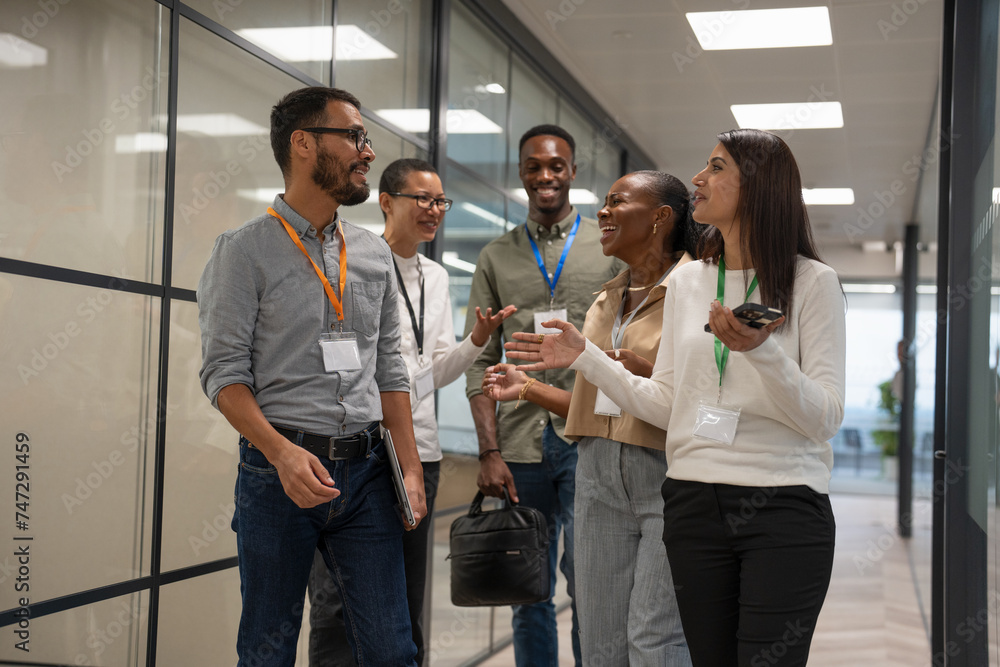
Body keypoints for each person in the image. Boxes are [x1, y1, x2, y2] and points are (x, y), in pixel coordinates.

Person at [504, 129, 845, 666]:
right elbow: (665, 403)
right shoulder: (690, 283)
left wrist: (762, 351)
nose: (698, 179)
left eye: (715, 167)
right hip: (692, 500)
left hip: (781, 504)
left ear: (755, 186)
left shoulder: (812, 283)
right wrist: (584, 358)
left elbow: (824, 417)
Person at [198, 86, 426, 667]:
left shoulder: (373, 254)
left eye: (366, 139)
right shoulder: (243, 251)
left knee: (392, 649)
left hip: (370, 473)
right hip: (280, 472)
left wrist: (410, 465)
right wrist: (279, 453)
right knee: (268, 647)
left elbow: (389, 367)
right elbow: (224, 376)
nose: (367, 152)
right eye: (354, 136)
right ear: (303, 144)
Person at [306, 158, 516, 666]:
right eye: (422, 198)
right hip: (357, 451)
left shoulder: (437, 276)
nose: (434, 209)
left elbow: (432, 374)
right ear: (386, 202)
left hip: (419, 453)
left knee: (404, 595)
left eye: (440, 200)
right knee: (337, 602)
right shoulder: (348, 260)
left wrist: (476, 344)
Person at [482, 170, 696, 666]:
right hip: (596, 473)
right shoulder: (605, 299)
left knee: (653, 640)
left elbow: (703, 400)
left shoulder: (696, 288)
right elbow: (595, 408)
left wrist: (643, 373)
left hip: (663, 476)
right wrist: (529, 387)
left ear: (661, 217)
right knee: (599, 640)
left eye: (616, 202)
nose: (601, 211)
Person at [464, 124, 625, 667]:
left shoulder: (607, 251)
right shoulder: (495, 256)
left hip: (588, 442)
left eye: (556, 165)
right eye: (534, 166)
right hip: (519, 447)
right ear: (521, 174)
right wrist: (488, 452)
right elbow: (481, 361)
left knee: (590, 584)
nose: (545, 175)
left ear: (573, 171)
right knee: (526, 589)